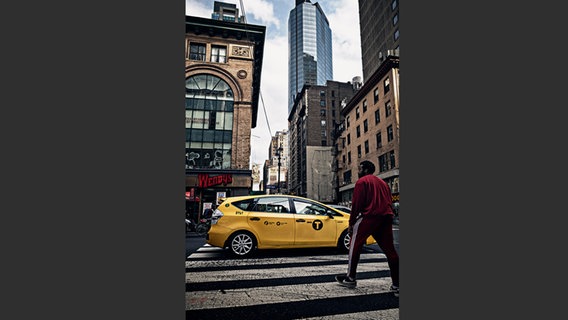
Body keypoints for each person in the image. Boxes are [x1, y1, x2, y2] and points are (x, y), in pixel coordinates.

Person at [335, 160, 399, 297]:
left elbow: (356, 204)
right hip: (386, 217)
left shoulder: (362, 182)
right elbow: (390, 202)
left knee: (354, 245)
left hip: (369, 216)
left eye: (359, 169)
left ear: (365, 170)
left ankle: (350, 278)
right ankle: (397, 285)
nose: (358, 171)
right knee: (391, 251)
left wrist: (351, 223)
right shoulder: (384, 183)